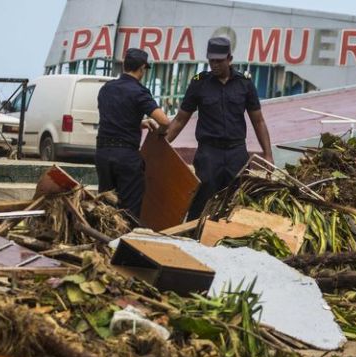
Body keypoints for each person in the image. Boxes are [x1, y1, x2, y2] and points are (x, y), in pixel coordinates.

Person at [165, 37, 273, 220]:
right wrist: (162, 145)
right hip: (209, 154)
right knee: (202, 201)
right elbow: (180, 119)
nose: (214, 65)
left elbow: (258, 121)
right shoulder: (199, 83)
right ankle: (193, 237)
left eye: (219, 61)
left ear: (229, 59)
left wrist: (268, 154)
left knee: (237, 201)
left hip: (237, 153)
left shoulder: (244, 83)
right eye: (211, 60)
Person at [96, 48, 170, 219]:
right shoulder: (139, 92)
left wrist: (138, 123)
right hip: (125, 157)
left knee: (105, 206)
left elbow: (114, 118)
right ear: (142, 68)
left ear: (124, 64)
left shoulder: (106, 89)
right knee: (128, 211)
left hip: (103, 154)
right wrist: (160, 132)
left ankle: (103, 242)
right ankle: (122, 243)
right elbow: (165, 121)